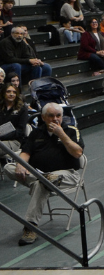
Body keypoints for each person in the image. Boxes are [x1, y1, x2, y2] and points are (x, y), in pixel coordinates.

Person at [2, 103, 83, 245]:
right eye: (51, 116)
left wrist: (61, 134)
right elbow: (26, 152)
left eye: (58, 115)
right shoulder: (36, 133)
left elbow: (77, 153)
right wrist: (21, 165)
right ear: (44, 118)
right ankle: (42, 180)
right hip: (39, 173)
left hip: (66, 174)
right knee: (10, 167)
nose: (55, 119)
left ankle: (30, 227)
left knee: (42, 182)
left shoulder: (70, 130)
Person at [0, 83, 29, 154]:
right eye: (8, 91)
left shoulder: (22, 109)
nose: (11, 94)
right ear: (3, 93)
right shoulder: (0, 107)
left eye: (14, 92)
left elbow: (20, 131)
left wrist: (2, 136)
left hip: (14, 141)